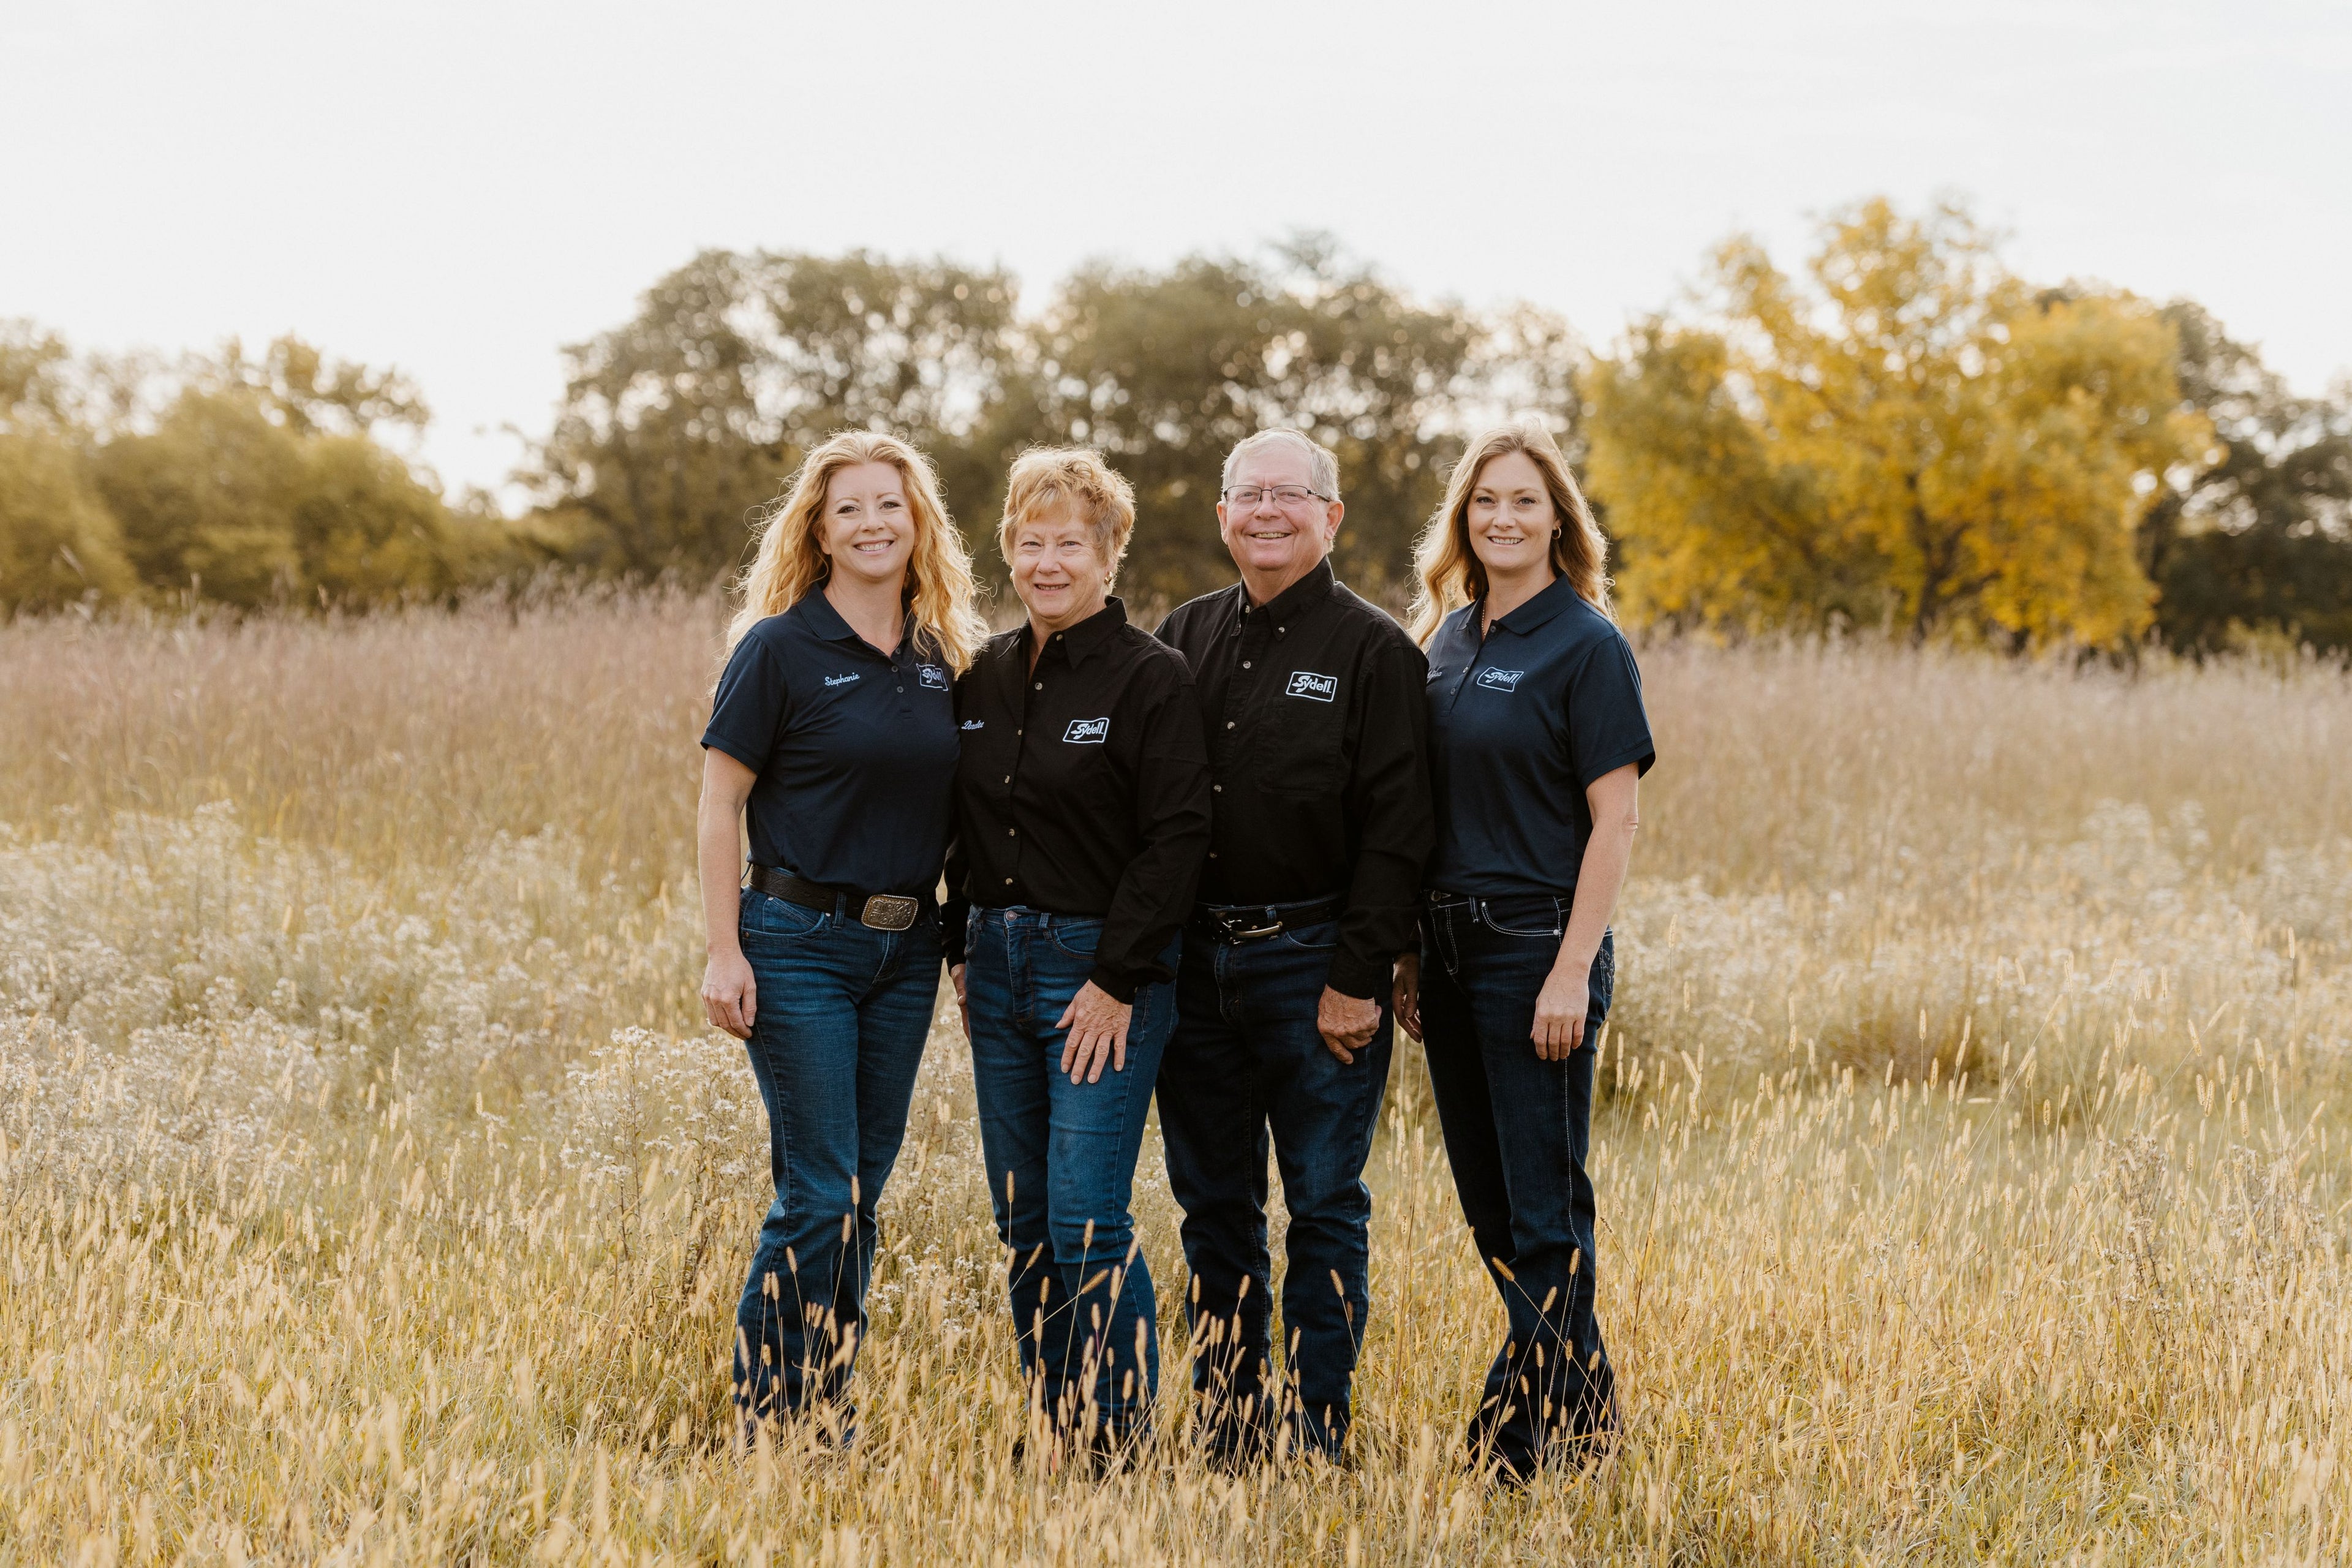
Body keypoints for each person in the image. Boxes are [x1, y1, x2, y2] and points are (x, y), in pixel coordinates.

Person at [696, 430, 988, 1447]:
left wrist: (958, 948)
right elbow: (719, 802)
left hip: (905, 954)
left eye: (890, 507)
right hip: (795, 942)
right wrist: (723, 948)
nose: (872, 524)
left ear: (920, 527)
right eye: (850, 509)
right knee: (819, 1190)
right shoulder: (778, 648)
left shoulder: (943, 656)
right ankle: (766, 1413)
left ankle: (827, 1405)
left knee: (863, 1191)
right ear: (818, 531)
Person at [1153, 429, 1433, 1465]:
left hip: (1316, 965)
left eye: (1290, 495)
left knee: (1323, 1206)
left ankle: (1320, 1431)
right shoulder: (1179, 637)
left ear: (1331, 516)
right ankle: (1230, 1429)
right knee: (1215, 1210)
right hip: (1194, 973)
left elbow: (1401, 830)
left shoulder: (1376, 653)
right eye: (1247, 494)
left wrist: (1356, 978)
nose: (1266, 512)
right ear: (1222, 513)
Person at [1392, 417, 1654, 1484]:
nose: (1503, 519)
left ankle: (1514, 1440)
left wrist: (1568, 971)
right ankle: (1589, 1432)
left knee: (1545, 1211)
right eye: (1485, 502)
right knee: (1494, 1214)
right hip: (1447, 955)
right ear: (1464, 519)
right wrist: (1408, 953)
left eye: (1524, 503)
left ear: (1558, 522)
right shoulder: (1445, 638)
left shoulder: (1587, 644)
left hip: (1534, 946)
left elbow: (1617, 823)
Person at [943, 447, 1212, 1467]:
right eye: (1030, 540)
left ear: (1109, 554)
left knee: (1088, 1215)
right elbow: (958, 826)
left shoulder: (1152, 677)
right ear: (1008, 549)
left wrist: (1116, 981)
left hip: (1098, 972)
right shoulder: (983, 675)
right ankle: (1059, 1426)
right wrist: (956, 948)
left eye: (1070, 543)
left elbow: (1177, 838)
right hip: (996, 964)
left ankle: (1123, 1439)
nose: (1048, 561)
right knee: (1023, 1218)